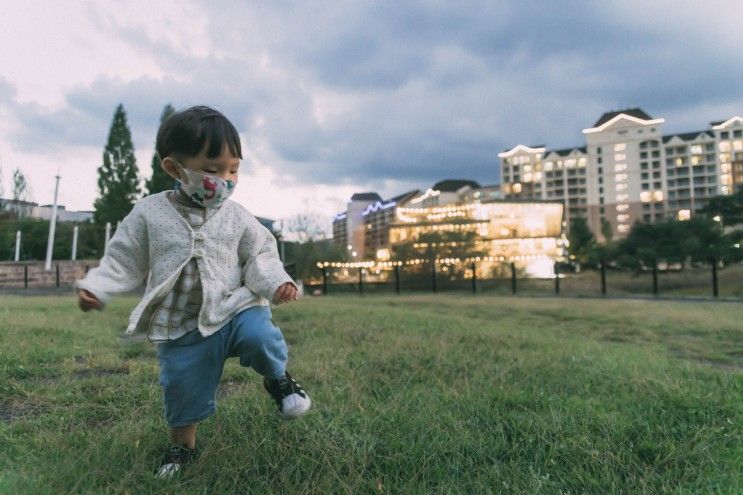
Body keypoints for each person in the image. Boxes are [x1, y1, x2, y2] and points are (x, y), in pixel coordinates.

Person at [75, 105, 311, 478]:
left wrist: (275, 283)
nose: (227, 179)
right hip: (181, 321)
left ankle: (278, 379)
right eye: (213, 169)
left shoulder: (238, 216)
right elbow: (123, 259)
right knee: (182, 389)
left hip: (235, 308)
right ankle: (182, 448)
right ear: (175, 169)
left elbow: (260, 256)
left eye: (234, 169)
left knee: (259, 335)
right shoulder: (149, 213)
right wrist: (97, 287)